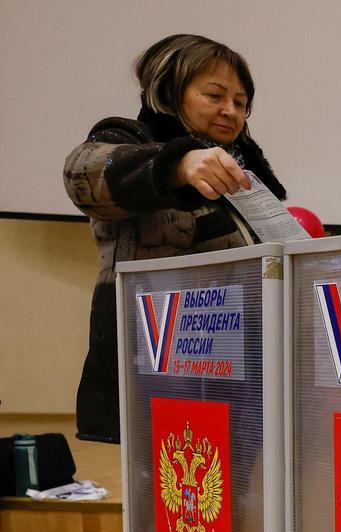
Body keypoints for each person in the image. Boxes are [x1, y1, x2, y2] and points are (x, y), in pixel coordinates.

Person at [63, 34, 286, 443]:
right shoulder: (130, 141)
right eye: (215, 95)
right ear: (169, 91)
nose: (230, 111)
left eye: (240, 102)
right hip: (154, 378)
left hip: (236, 381)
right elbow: (82, 174)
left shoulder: (242, 172)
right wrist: (176, 164)